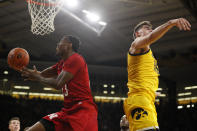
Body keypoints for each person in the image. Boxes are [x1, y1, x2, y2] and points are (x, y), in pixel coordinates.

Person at [124, 18, 191, 131]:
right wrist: (171, 23)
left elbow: (140, 76)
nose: (151, 30)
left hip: (147, 100)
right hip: (140, 100)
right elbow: (150, 38)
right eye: (147, 28)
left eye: (151, 28)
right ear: (137, 33)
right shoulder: (136, 44)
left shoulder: (148, 55)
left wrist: (151, 92)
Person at [21, 35, 98, 131]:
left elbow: (58, 84)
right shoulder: (62, 63)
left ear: (69, 45)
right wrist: (30, 72)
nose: (57, 44)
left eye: (61, 42)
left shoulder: (76, 59)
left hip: (82, 111)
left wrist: (37, 77)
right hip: (68, 111)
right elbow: (43, 74)